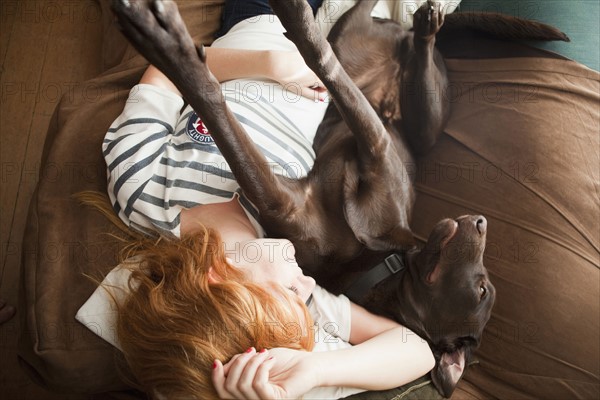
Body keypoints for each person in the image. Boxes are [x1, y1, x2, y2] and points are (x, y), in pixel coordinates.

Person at [90, 0, 435, 398]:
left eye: (291, 290)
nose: (305, 283)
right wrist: (312, 371)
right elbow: (417, 351)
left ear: (219, 276)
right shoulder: (289, 282)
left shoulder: (141, 188)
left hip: (261, 24)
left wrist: (270, 65)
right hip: (346, 61)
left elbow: (167, 68)